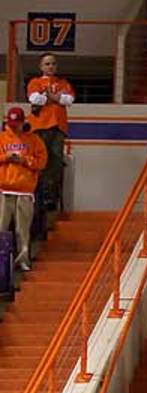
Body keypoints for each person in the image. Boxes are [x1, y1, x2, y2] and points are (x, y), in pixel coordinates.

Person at [0, 106, 47, 272]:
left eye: (17, 124)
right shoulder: (2, 138)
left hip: (25, 191)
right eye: (11, 124)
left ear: (22, 122)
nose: (14, 127)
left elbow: (42, 162)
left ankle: (22, 260)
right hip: (4, 191)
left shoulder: (33, 140)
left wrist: (26, 161)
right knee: (1, 228)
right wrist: (6, 158)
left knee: (23, 230)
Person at [25, 52, 74, 209]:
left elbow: (69, 99)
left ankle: (50, 197)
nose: (50, 66)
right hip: (39, 127)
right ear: (41, 66)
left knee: (55, 161)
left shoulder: (63, 82)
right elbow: (35, 99)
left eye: (53, 63)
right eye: (47, 64)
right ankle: (36, 192)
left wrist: (48, 95)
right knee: (39, 160)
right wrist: (56, 97)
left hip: (58, 127)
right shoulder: (35, 82)